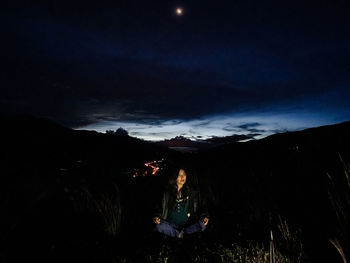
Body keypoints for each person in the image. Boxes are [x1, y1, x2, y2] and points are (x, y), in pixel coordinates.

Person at [153, 167, 209, 238]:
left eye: (184, 174)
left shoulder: (191, 192)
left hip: (187, 224)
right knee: (159, 226)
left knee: (202, 225)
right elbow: (160, 206)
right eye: (179, 175)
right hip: (171, 223)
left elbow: (200, 206)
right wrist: (157, 216)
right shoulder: (167, 193)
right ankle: (180, 234)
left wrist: (204, 216)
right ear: (175, 177)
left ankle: (180, 233)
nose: (182, 177)